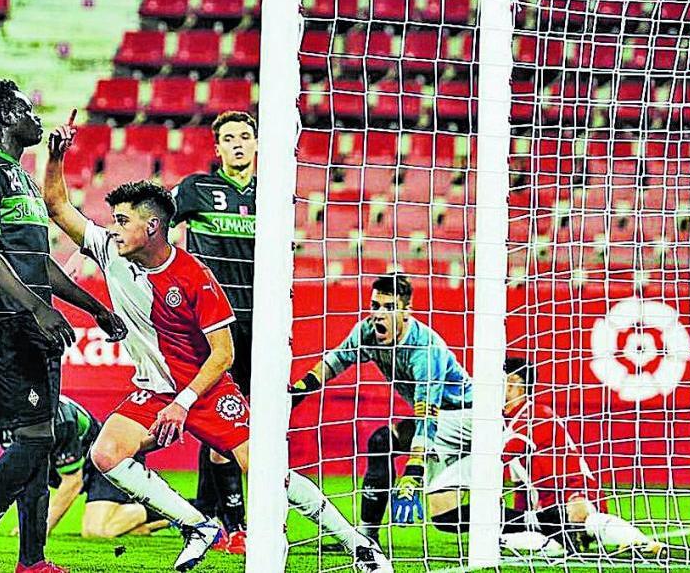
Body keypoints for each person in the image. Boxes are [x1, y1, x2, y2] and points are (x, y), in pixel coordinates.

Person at [44, 123, 391, 573]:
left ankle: (357, 545)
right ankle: (198, 525)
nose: (113, 229)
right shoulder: (111, 251)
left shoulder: (195, 279)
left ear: (152, 227)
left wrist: (184, 403)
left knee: (266, 472)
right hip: (154, 390)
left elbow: (223, 355)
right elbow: (56, 205)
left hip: (204, 390)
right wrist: (56, 155)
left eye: (122, 221)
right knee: (105, 453)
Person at [0, 80, 127, 573]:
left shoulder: (20, 178)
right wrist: (39, 310)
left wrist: (94, 307)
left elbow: (39, 263)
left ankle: (32, 560)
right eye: (26, 108)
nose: (35, 115)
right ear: (4, 117)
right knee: (35, 439)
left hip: (30, 330)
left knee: (40, 443)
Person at [290, 273, 474, 544]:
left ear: (406, 311)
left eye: (389, 308)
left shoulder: (425, 348)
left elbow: (427, 414)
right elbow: (336, 360)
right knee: (445, 518)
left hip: (466, 417)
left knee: (383, 440)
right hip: (443, 422)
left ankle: (365, 537)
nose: (379, 314)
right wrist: (299, 390)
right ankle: (528, 522)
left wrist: (413, 470)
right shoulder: (367, 331)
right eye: (375, 306)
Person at [471, 359, 665, 557]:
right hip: (546, 503)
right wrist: (522, 518)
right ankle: (556, 541)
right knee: (518, 533)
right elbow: (519, 483)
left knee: (579, 514)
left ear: (514, 383)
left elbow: (502, 455)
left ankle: (640, 542)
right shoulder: (506, 424)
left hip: (574, 489)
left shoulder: (537, 415)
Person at [170, 111, 257, 551]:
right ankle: (237, 526)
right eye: (229, 138)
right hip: (214, 326)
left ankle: (214, 515)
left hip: (265, 324)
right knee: (223, 422)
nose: (238, 144)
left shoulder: (275, 192)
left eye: (245, 136)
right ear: (217, 148)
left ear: (258, 144)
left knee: (254, 425)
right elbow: (152, 223)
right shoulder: (196, 189)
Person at [0, 395, 168, 540]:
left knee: (97, 531)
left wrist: (40, 529)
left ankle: (162, 510)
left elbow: (72, 482)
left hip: (104, 459)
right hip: (63, 466)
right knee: (114, 527)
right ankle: (135, 521)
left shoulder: (59, 420)